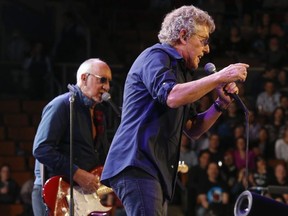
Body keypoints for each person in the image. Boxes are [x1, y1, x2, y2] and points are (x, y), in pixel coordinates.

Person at [101, 5, 249, 215]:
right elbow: (172, 96)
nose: (207, 49)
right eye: (203, 40)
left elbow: (193, 129)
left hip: (155, 169)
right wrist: (219, 76)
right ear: (182, 35)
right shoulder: (155, 57)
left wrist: (220, 104)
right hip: (138, 162)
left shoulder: (182, 73)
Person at [32, 58, 112, 216]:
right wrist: (77, 173)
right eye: (102, 80)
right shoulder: (61, 105)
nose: (107, 87)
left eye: (109, 81)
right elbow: (41, 149)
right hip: (55, 194)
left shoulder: (98, 114)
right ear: (84, 78)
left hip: (81, 196)